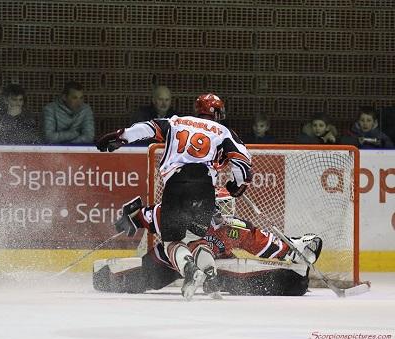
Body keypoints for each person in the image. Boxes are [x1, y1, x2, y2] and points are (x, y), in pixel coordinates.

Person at [96, 93, 253, 300]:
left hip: (177, 184)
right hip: (206, 188)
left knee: (172, 241)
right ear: (216, 112)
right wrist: (238, 184)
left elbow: (147, 128)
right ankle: (210, 277)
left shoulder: (176, 122)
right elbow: (243, 161)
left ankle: (189, 270)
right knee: (197, 239)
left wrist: (120, 136)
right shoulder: (223, 131)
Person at [93, 187, 323, 296]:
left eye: (228, 206)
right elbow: (149, 214)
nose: (226, 212)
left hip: (213, 267)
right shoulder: (182, 215)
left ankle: (292, 282)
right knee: (147, 280)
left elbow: (261, 242)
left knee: (236, 281)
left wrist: (290, 251)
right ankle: (106, 274)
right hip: (169, 262)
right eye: (221, 207)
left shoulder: (234, 228)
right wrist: (131, 218)